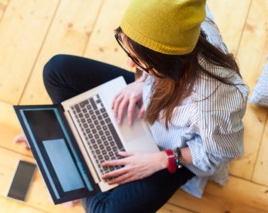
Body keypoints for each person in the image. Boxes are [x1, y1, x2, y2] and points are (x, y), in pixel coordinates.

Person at [14, 0, 248, 212]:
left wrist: (161, 160)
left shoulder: (214, 105)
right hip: (151, 98)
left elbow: (220, 153)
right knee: (56, 70)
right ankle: (76, 143)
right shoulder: (187, 18)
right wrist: (142, 81)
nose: (128, 63)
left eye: (137, 60)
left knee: (103, 211)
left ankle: (73, 154)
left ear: (166, 65)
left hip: (169, 149)